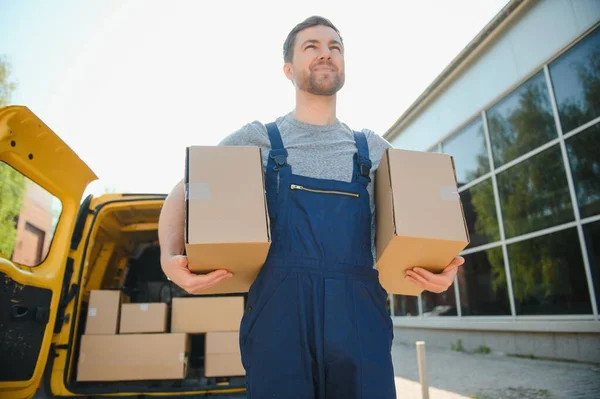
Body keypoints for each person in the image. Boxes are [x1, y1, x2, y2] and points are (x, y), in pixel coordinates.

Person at [158, 15, 465, 399]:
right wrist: (170, 258)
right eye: (312, 47)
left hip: (357, 317)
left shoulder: (372, 149)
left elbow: (421, 219)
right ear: (288, 69)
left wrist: (439, 268)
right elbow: (184, 189)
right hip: (279, 317)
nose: (326, 54)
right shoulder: (256, 139)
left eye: (335, 47)